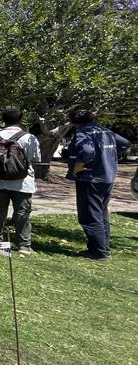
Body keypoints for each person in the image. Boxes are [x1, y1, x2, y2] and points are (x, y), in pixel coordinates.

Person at [64, 107, 131, 261]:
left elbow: (86, 152)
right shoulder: (105, 131)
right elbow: (125, 143)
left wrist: (76, 170)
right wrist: (107, 155)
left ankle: (98, 252)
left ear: (73, 122)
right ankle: (103, 248)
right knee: (101, 214)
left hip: (90, 178)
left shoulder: (83, 132)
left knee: (90, 215)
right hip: (107, 177)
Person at [0, 107, 40, 255]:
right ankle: (24, 245)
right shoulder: (29, 138)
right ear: (20, 119)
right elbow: (35, 158)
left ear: (3, 119)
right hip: (22, 183)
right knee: (22, 213)